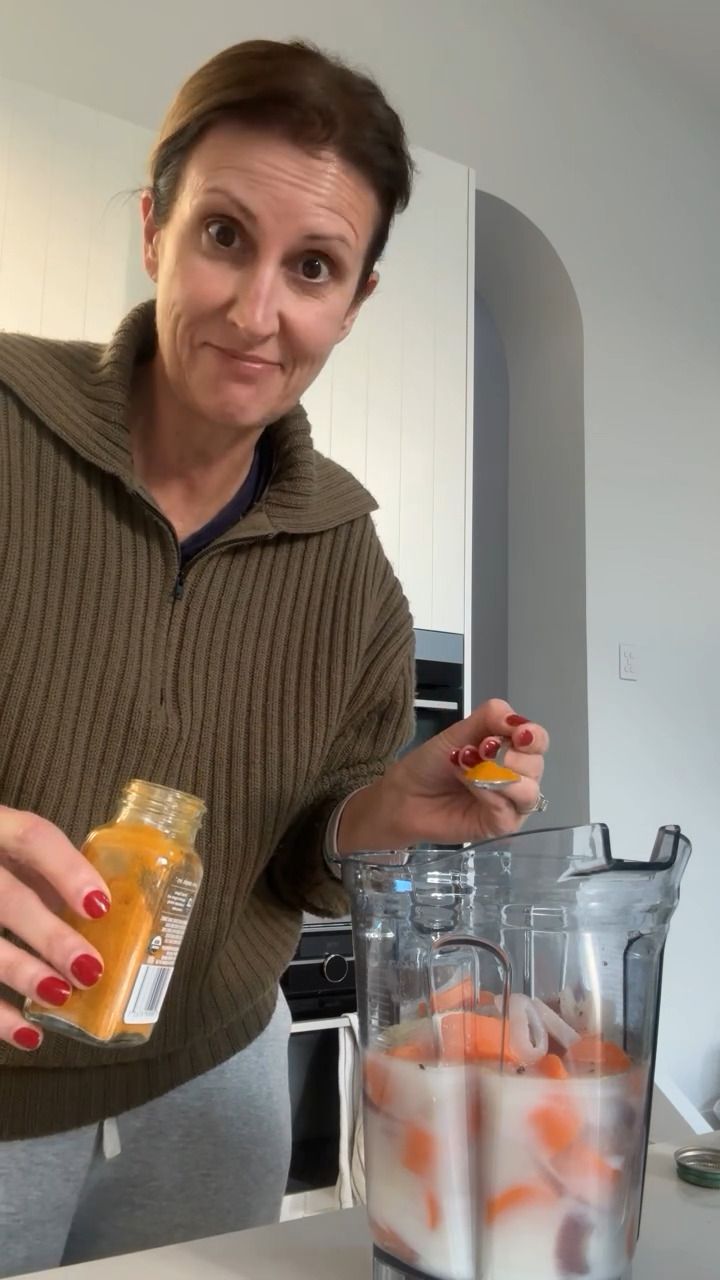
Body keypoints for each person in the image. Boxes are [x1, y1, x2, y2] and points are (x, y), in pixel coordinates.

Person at [0, 39, 548, 1277]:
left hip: (213, 1088)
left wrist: (390, 808)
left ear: (354, 302)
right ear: (155, 229)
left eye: (313, 266)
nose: (258, 314)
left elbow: (308, 857)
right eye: (223, 235)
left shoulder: (353, 565)